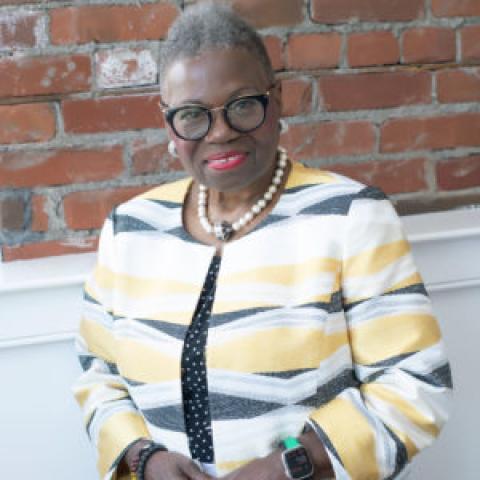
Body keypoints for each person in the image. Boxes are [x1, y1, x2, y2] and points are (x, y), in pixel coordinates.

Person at [72, 4, 452, 480]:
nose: (222, 132)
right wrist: (144, 459)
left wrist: (287, 466)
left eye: (243, 105)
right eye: (193, 116)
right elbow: (98, 373)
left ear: (277, 99)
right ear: (167, 119)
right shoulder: (131, 229)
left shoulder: (350, 216)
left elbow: (414, 385)